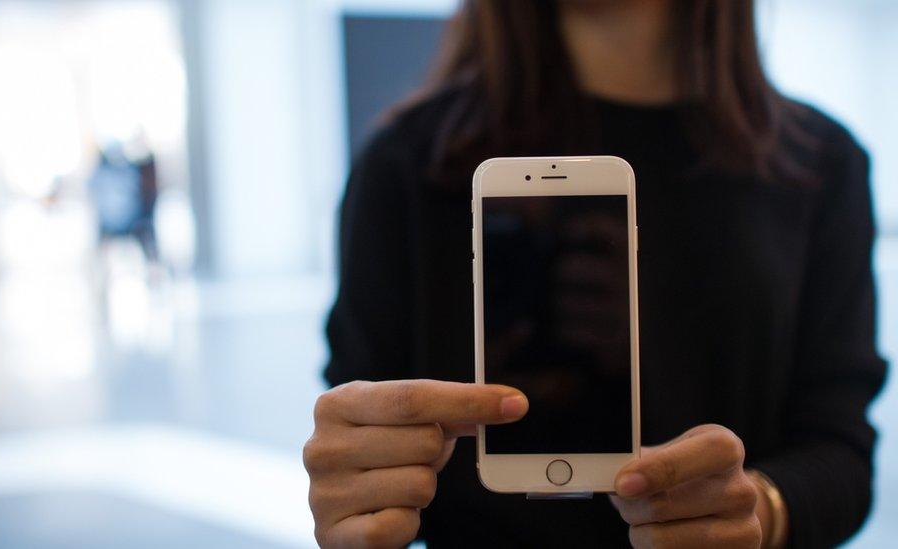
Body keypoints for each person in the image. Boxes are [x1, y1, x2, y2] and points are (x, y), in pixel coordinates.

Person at [304, 1, 887, 547]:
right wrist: (358, 483)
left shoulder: (819, 163)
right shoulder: (404, 163)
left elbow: (839, 450)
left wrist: (759, 508)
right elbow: (360, 420)